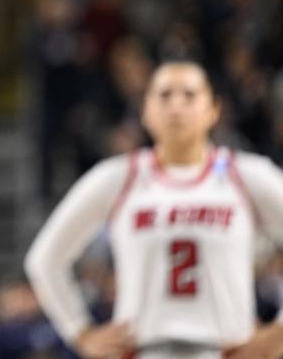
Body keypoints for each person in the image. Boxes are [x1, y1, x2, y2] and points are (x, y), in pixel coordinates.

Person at [24, 60, 283, 359]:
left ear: (214, 110)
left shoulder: (247, 174)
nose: (176, 105)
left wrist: (279, 332)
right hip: (144, 350)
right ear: (145, 111)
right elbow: (44, 259)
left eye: (189, 95)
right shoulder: (117, 177)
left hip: (227, 349)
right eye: (164, 95)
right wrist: (79, 332)